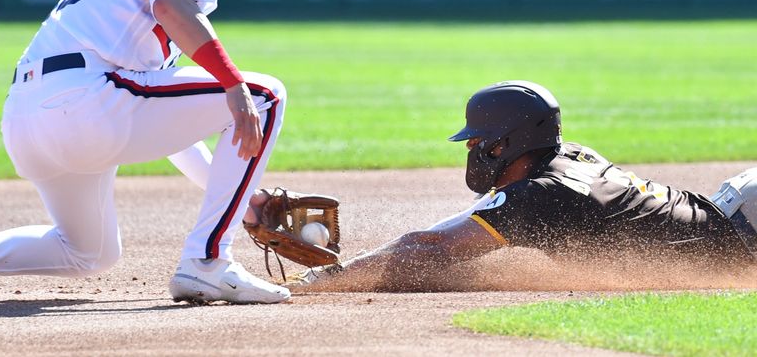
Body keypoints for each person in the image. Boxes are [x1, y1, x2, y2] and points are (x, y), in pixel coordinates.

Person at [0, 0, 290, 305]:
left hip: (28, 119)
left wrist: (245, 201)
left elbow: (170, 127)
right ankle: (208, 262)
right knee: (263, 95)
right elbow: (173, 6)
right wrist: (233, 85)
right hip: (85, 104)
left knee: (88, 253)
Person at [290, 81, 757, 291]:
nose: (472, 150)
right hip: (731, 214)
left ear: (507, 144)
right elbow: (457, 228)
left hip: (746, 233)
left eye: (478, 140)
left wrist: (326, 277)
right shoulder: (567, 157)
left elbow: (430, 250)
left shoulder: (541, 196)